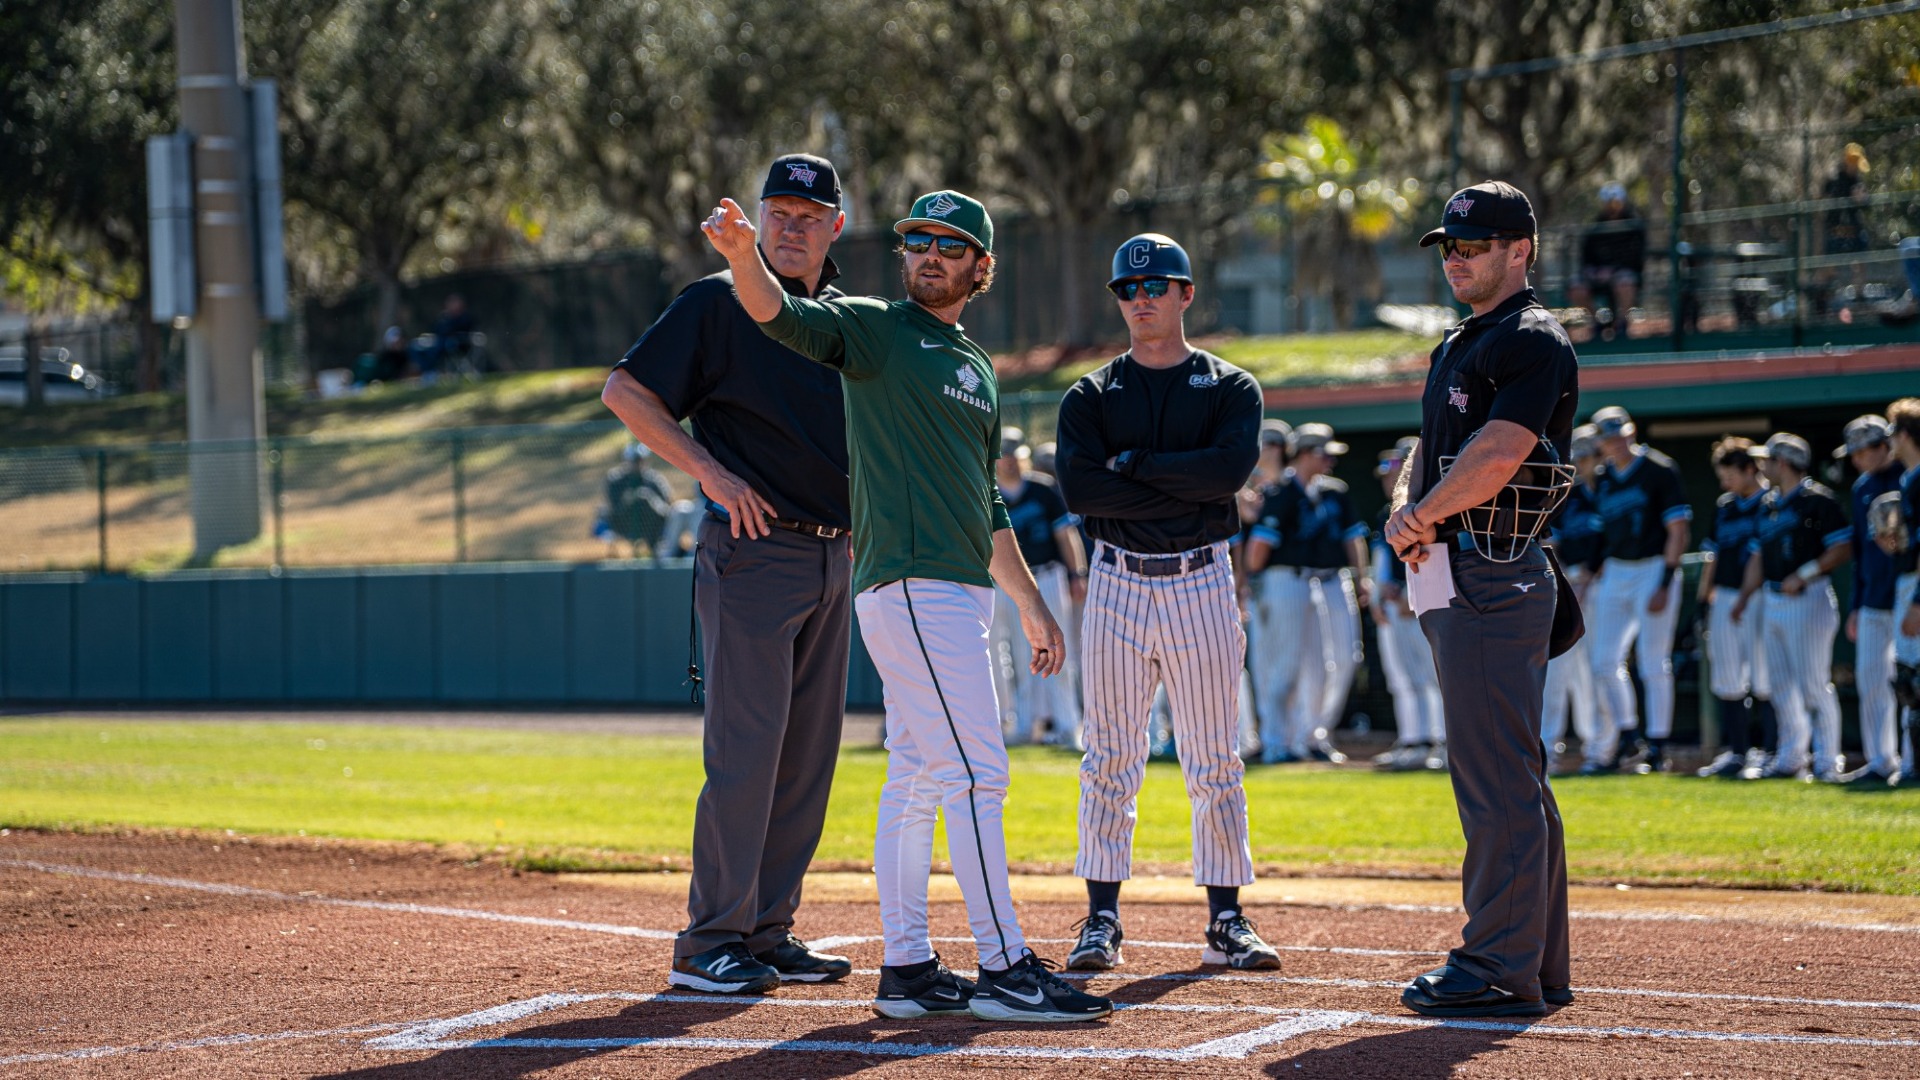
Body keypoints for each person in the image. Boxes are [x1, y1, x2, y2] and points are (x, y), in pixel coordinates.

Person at [703, 186, 1111, 1023]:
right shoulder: (877, 329)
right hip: (914, 584)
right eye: (918, 240)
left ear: (980, 266)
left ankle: (908, 968)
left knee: (919, 778)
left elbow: (984, 501)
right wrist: (745, 258)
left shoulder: (976, 366)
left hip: (960, 590)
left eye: (949, 244)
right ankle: (1005, 968)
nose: (929, 254)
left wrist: (1032, 605)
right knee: (978, 773)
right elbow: (782, 316)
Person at [601, 153, 855, 995]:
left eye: (809, 216)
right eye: (779, 212)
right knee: (747, 755)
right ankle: (710, 938)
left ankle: (767, 930)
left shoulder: (840, 318)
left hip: (834, 553)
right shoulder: (717, 301)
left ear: (836, 227)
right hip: (755, 553)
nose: (793, 227)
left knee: (806, 761)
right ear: (758, 216)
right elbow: (625, 392)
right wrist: (709, 473)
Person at [1055, 233, 1276, 974]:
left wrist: (1137, 468)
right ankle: (1101, 919)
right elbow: (1082, 490)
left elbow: (1226, 474)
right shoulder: (1091, 394)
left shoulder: (1230, 387)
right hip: (1116, 577)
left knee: (1214, 755)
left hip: (1200, 577)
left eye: (1156, 286)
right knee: (1109, 755)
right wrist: (1180, 485)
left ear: (1186, 293)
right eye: (1128, 288)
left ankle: (1226, 919)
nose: (1141, 298)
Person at [1383, 179, 1577, 1018]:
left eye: (1472, 246)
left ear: (1519, 250)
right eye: (1449, 247)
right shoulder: (1466, 338)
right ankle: (1536, 963)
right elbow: (1428, 449)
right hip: (1463, 567)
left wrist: (1422, 515)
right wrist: (1407, 506)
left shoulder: (1531, 336)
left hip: (1493, 570)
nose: (1455, 259)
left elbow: (1499, 453)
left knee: (1496, 779)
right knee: (1511, 774)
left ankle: (1498, 965)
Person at [1243, 423, 1370, 764]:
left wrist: (1362, 577)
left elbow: (1352, 538)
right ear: (1302, 453)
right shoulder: (1280, 493)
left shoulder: (1332, 492)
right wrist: (1255, 584)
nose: (1330, 460)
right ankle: (1276, 741)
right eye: (1322, 453)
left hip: (1324, 580)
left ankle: (1311, 736)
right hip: (1286, 579)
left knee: (1327, 665)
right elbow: (1256, 552)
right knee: (1283, 665)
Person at [1732, 433, 1851, 781]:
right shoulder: (1768, 503)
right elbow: (1758, 557)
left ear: (1782, 463)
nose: (1761, 466)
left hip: (1808, 597)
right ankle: (1791, 757)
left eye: (1766, 460)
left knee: (1813, 683)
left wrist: (1805, 573)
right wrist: (1743, 598)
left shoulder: (1818, 501)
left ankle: (1827, 760)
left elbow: (1842, 548)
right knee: (1781, 684)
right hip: (1773, 598)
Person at [1581, 404, 1691, 775]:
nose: (1615, 443)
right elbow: (1601, 535)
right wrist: (1587, 579)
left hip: (1653, 566)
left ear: (1631, 433)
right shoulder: (1603, 477)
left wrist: (1666, 580)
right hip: (1616, 569)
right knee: (1603, 661)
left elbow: (1678, 529)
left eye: (1619, 435)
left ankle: (1657, 745)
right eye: (1607, 438)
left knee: (1652, 661)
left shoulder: (1659, 469)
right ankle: (1629, 737)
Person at [990, 428, 1088, 748]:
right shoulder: (988, 491)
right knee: (1015, 657)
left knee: (1058, 651)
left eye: (1014, 456)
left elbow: (1066, 536)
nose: (1009, 462)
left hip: (1046, 576)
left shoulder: (1043, 489)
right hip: (1006, 581)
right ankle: (1022, 724)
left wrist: (1077, 574)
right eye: (1003, 456)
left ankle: (1068, 725)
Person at [1694, 437, 1775, 778]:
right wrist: (1704, 600)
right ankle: (1738, 752)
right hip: (1726, 595)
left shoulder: (1770, 502)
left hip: (1760, 596)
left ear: (1749, 469)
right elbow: (1712, 556)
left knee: (1764, 675)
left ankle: (1770, 751)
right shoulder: (1725, 506)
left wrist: (1744, 596)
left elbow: (1761, 557)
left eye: (1730, 475)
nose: (1725, 483)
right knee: (1727, 675)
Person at [1370, 437, 1446, 772]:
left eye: (1398, 468)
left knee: (1435, 676)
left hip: (1426, 597)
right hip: (1396, 605)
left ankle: (1443, 742)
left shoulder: (1429, 504)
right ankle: (1414, 740)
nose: (1391, 476)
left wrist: (1407, 594)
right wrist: (1379, 596)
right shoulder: (1386, 513)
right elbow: (1382, 563)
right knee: (1404, 678)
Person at [1838, 415, 1905, 784]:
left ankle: (1911, 761)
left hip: (1906, 595)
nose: (1855, 460)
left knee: (1909, 683)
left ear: (1883, 446)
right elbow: (1860, 553)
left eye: (1861, 451)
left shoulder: (1908, 478)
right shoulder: (1861, 487)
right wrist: (1855, 606)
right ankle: (1881, 760)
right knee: (1870, 681)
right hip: (1872, 599)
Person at [1540, 426, 1607, 767]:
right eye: (1576, 457)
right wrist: (1569, 581)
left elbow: (1615, 541)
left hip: (1603, 583)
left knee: (1597, 669)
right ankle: (1548, 747)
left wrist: (1589, 577)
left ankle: (1598, 747)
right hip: (1571, 584)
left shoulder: (1611, 490)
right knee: (1558, 669)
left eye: (1588, 456)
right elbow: (1553, 543)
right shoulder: (1569, 497)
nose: (1582, 463)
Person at [1237, 419, 1293, 761]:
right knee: (1258, 665)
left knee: (1283, 665)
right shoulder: (1246, 485)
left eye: (1268, 445)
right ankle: (1261, 737)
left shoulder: (1289, 488)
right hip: (1254, 586)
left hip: (1287, 580)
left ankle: (1284, 737)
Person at [1887, 398, 1920, 784]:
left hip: (1916, 586)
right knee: (1908, 679)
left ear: (1906, 434)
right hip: (1907, 578)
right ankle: (1911, 764)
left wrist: (1917, 602)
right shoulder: (1908, 479)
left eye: (1893, 432)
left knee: (1915, 679)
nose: (1890, 440)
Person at [1565, 183, 1647, 340]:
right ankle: (1598, 323)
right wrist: (1593, 271)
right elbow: (1586, 258)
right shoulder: (1595, 227)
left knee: (1625, 283)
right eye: (1608, 203)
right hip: (1597, 276)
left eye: (1616, 203)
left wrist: (1613, 271)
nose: (1612, 207)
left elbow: (1636, 259)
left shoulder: (1633, 226)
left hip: (1623, 274)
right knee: (1576, 286)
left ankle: (1622, 325)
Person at [595, 442, 675, 558]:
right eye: (634, 461)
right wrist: (629, 498)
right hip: (623, 523)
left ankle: (657, 550)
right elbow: (613, 507)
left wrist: (648, 497)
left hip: (653, 524)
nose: (637, 464)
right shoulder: (616, 479)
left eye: (640, 461)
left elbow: (666, 505)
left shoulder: (654, 479)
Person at [1820, 144, 1871, 317]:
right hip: (1837, 228)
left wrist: (1861, 199)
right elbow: (1826, 198)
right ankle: (1825, 298)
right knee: (1830, 263)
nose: (1855, 167)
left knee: (1860, 260)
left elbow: (1865, 204)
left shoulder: (1857, 181)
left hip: (1854, 228)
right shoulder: (1835, 179)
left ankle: (1859, 296)